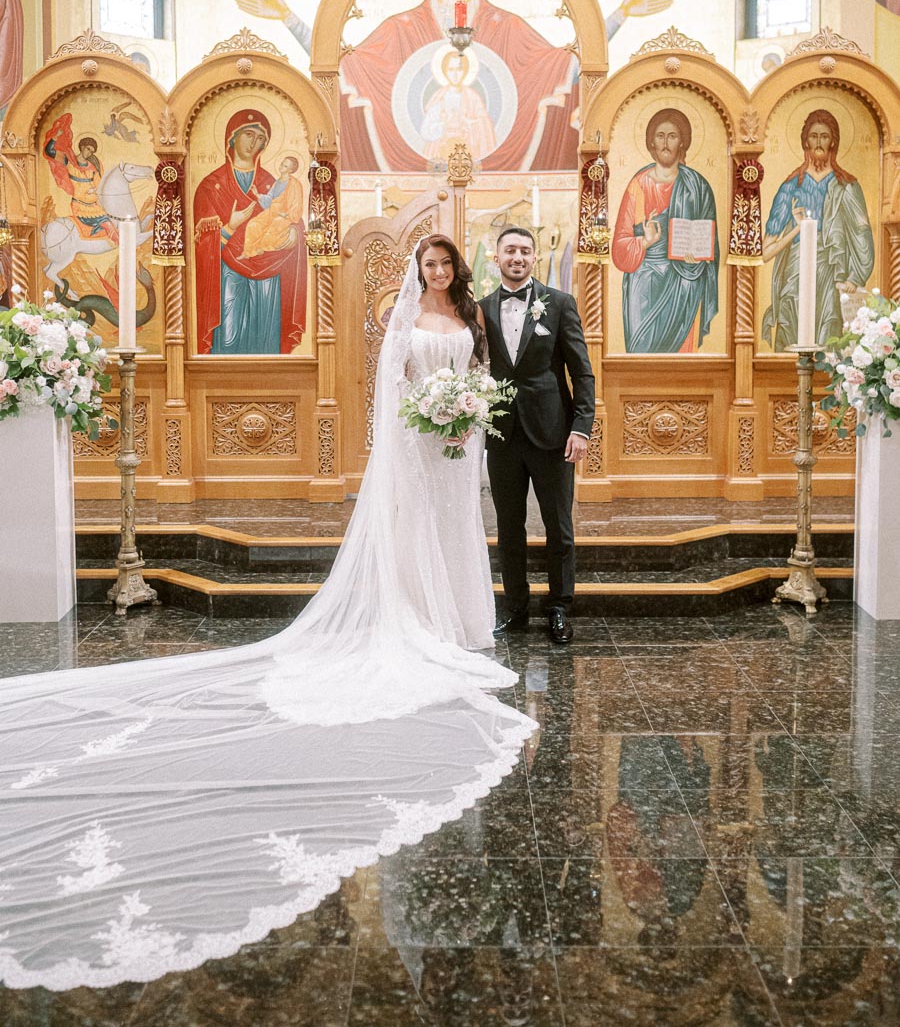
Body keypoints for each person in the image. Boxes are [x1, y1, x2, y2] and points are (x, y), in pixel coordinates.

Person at [0, 237, 534, 991]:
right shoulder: (404, 313)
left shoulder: (472, 313)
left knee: (456, 532)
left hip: (458, 444)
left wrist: (468, 416)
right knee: (417, 536)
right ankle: (418, 619)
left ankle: (458, 622)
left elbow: (480, 375)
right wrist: (425, 420)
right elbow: (392, 383)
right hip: (418, 442)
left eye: (445, 265)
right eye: (429, 265)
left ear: (457, 271)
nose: (437, 274)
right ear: (417, 269)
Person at [480, 226, 595, 645]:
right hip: (502, 433)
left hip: (554, 433)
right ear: (497, 258)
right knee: (509, 527)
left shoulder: (559, 304)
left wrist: (581, 427)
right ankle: (514, 608)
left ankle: (560, 608)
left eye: (525, 251)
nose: (518, 257)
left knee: (558, 526)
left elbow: (581, 371)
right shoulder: (482, 309)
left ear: (534, 258)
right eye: (510, 250)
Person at [192, 109, 307, 354]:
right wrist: (230, 227)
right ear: (231, 138)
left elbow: (291, 216)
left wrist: (295, 235)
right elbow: (199, 251)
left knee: (265, 332)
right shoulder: (210, 186)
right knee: (230, 335)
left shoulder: (270, 183)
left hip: (268, 272)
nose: (253, 143)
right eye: (248, 134)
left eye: (260, 139)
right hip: (226, 273)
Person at [761, 108, 874, 349]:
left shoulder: (847, 186)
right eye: (814, 135)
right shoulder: (791, 186)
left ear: (833, 141)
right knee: (791, 314)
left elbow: (861, 231)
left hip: (833, 269)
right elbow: (767, 245)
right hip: (796, 265)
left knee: (830, 324)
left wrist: (856, 275)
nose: (819, 142)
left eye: (825, 136)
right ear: (805, 140)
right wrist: (795, 231)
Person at [611, 107, 719, 353]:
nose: (666, 142)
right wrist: (645, 243)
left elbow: (709, 241)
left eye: (673, 136)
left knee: (681, 362)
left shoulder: (697, 186)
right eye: (660, 135)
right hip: (645, 282)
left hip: (685, 281)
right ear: (651, 141)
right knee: (642, 354)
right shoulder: (638, 185)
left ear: (683, 142)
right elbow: (619, 248)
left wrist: (699, 259)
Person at [240, 154, 305, 259]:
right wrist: (257, 194)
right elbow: (270, 199)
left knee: (275, 224)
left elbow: (297, 205)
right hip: (272, 212)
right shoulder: (278, 182)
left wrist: (286, 214)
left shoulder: (295, 184)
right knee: (253, 224)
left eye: (285, 166)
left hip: (285, 216)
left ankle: (261, 248)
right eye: (282, 164)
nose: (281, 166)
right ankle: (248, 252)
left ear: (290, 170)